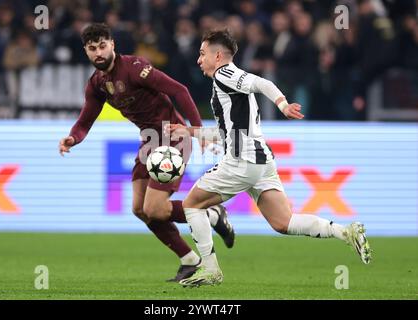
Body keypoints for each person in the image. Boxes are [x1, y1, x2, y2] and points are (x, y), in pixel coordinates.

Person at [165, 29, 372, 287]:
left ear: (218, 56)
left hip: (242, 161)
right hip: (261, 162)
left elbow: (261, 83)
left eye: (202, 53)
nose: (199, 60)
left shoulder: (224, 73)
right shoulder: (226, 85)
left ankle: (210, 269)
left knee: (192, 204)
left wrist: (283, 104)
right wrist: (191, 132)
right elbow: (227, 131)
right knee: (283, 222)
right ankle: (346, 231)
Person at [58, 23, 235, 282]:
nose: (98, 52)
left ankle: (211, 213)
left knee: (155, 209)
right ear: (86, 50)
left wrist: (197, 130)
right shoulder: (97, 83)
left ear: (113, 45)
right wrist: (73, 138)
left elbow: (179, 90)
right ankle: (189, 259)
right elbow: (85, 121)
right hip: (149, 142)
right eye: (92, 48)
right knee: (140, 209)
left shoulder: (135, 68)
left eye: (103, 46)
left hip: (173, 138)